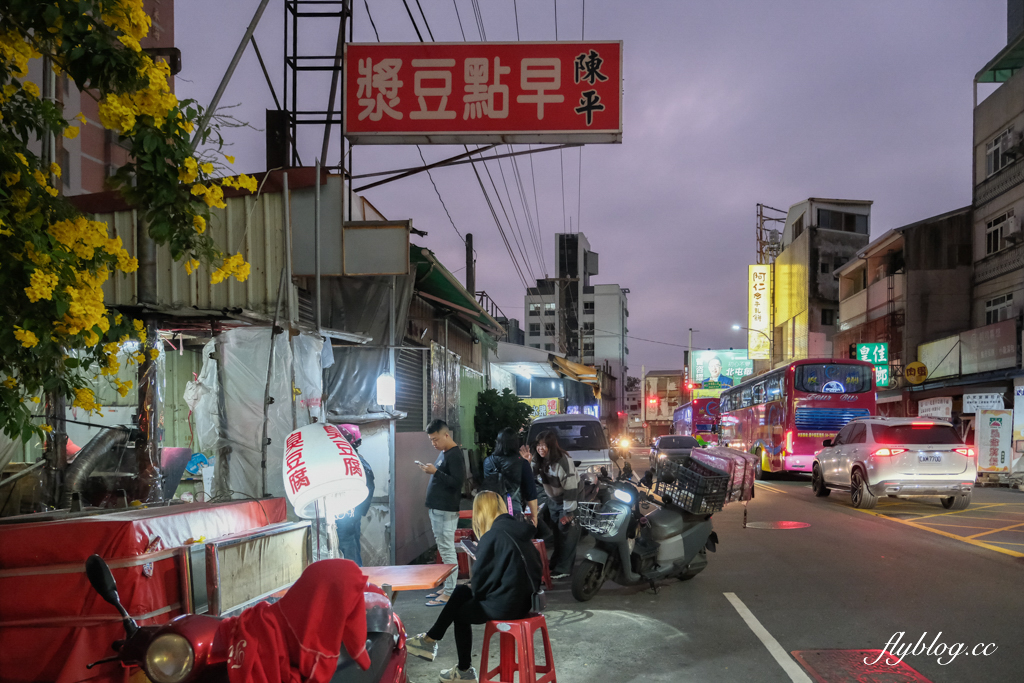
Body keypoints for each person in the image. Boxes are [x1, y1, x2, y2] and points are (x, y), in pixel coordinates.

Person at [407, 491, 542, 682]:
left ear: (481, 511)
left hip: (506, 606)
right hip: (525, 601)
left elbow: (479, 586)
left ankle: (461, 669)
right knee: (462, 591)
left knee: (460, 613)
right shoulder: (518, 531)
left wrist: (479, 564)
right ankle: (430, 640)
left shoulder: (492, 536)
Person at [421, 419, 466, 606]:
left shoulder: (455, 455)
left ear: (446, 434)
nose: (434, 443)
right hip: (438, 509)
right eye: (431, 440)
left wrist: (435, 472)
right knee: (444, 549)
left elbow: (457, 482)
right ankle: (449, 586)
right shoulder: (444, 452)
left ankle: (450, 592)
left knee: (447, 551)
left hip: (446, 511)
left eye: (436, 439)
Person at [528, 429, 581, 580]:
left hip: (569, 499)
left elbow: (571, 488)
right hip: (554, 500)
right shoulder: (538, 460)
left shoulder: (563, 461)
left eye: (544, 445)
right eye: (538, 445)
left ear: (552, 446)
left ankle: (564, 568)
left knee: (568, 533)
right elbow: (531, 476)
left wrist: (569, 512)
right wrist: (527, 462)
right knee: (557, 533)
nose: (541, 448)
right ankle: (557, 562)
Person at [334, 424, 374, 566]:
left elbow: (368, 487)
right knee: (349, 552)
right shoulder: (354, 460)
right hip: (348, 516)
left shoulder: (352, 462)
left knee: (349, 554)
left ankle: (354, 585)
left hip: (346, 517)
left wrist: (355, 513)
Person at [482, 428, 539, 524]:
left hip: (491, 511)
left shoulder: (488, 462)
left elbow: (487, 487)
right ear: (515, 443)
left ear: (498, 442)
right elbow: (531, 492)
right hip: (514, 510)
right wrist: (534, 517)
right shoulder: (522, 463)